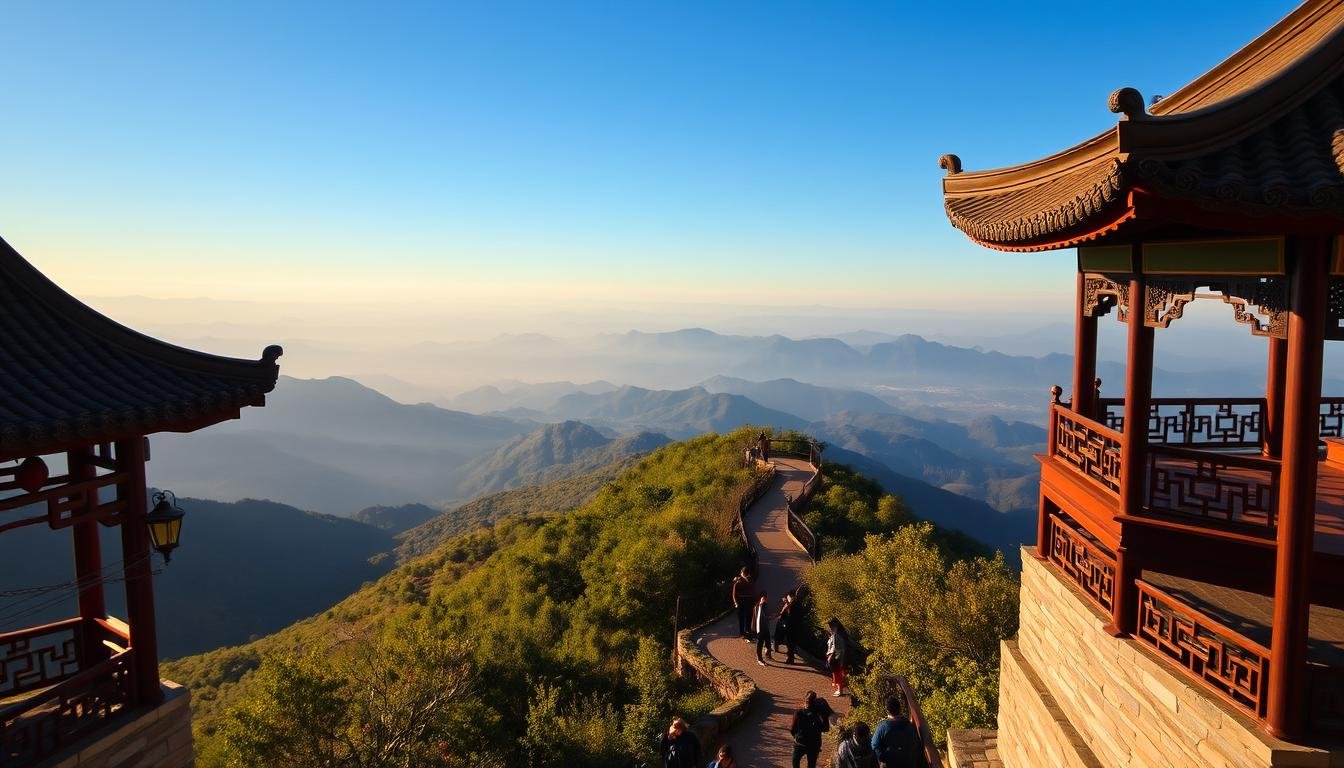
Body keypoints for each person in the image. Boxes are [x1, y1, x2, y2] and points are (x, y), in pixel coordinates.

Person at [871, 695, 917, 768]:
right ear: (900, 708)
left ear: (887, 710)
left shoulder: (883, 727)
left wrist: (882, 760)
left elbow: (874, 745)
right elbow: (914, 743)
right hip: (909, 763)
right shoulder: (909, 725)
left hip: (891, 763)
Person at [788, 691, 826, 768]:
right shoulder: (818, 715)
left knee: (795, 762)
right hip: (814, 745)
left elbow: (792, 729)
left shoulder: (799, 713)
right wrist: (824, 714)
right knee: (811, 765)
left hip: (800, 743)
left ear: (805, 700)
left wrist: (796, 737)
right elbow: (825, 728)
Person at [826, 617, 850, 696]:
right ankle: (839, 689)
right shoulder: (839, 635)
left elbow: (837, 648)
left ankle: (840, 690)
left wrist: (831, 656)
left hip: (836, 657)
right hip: (838, 657)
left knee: (837, 673)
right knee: (838, 673)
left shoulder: (836, 636)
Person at [732, 567, 754, 641]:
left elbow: (752, 590)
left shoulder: (749, 580)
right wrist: (736, 602)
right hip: (741, 601)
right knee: (742, 617)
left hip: (747, 600)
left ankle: (747, 630)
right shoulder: (738, 581)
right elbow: (734, 594)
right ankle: (743, 632)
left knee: (748, 616)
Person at [754, 592, 773, 665]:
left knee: (768, 642)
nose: (766, 599)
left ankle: (767, 654)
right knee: (760, 643)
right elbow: (765, 617)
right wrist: (772, 617)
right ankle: (759, 660)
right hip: (761, 629)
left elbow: (766, 615)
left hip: (765, 627)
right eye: (764, 598)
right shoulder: (760, 606)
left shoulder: (763, 605)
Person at [774, 592, 794, 660]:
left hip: (784, 622)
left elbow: (785, 612)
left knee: (781, 636)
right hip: (783, 621)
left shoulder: (789, 604)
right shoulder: (788, 604)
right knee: (780, 636)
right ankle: (776, 648)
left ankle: (777, 648)